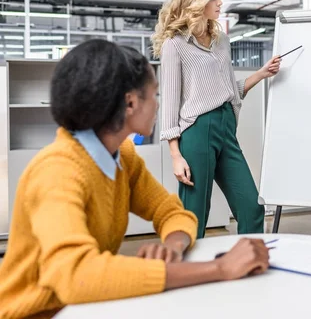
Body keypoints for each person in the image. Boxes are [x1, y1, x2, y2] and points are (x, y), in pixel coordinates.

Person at [0, 40, 270, 319]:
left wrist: (172, 247)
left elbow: (172, 212)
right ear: (130, 102)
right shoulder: (57, 171)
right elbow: (77, 276)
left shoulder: (122, 156)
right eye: (154, 95)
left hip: (84, 308)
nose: (158, 104)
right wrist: (220, 269)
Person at [152, 0, 281, 239]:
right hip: (197, 131)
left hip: (226, 126)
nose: (219, 3)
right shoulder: (175, 45)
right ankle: (189, 274)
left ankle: (250, 264)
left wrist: (261, 74)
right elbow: (171, 102)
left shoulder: (222, 40)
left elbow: (228, 90)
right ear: (196, 0)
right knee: (194, 214)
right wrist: (176, 155)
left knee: (251, 207)